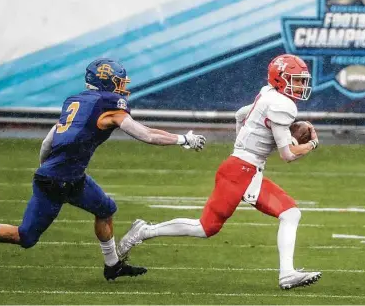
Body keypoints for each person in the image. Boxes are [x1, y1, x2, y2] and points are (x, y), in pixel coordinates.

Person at [117, 54, 322, 290]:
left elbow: (240, 115)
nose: (300, 85)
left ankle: (287, 273)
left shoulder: (268, 93)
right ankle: (144, 231)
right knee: (206, 228)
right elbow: (288, 155)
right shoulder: (281, 104)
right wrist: (312, 144)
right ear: (279, 79)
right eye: (295, 80)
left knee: (286, 214)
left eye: (301, 80)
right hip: (240, 172)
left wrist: (244, 146)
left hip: (242, 168)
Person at [0, 58, 206, 281]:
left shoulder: (76, 102)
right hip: (56, 182)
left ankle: (112, 265)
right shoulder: (109, 105)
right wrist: (182, 139)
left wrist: (45, 168)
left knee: (105, 210)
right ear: (105, 82)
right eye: (118, 81)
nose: (122, 86)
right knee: (25, 237)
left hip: (70, 178)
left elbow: (49, 139)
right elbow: (146, 134)